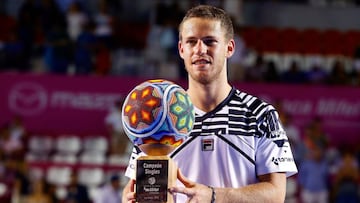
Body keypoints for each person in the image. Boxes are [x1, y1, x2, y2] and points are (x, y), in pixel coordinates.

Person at [122, 5, 298, 203]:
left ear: (229, 48)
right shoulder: (158, 115)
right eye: (191, 42)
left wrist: (213, 195)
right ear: (181, 49)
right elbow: (134, 188)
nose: (200, 49)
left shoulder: (260, 114)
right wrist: (131, 199)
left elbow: (276, 194)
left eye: (210, 41)